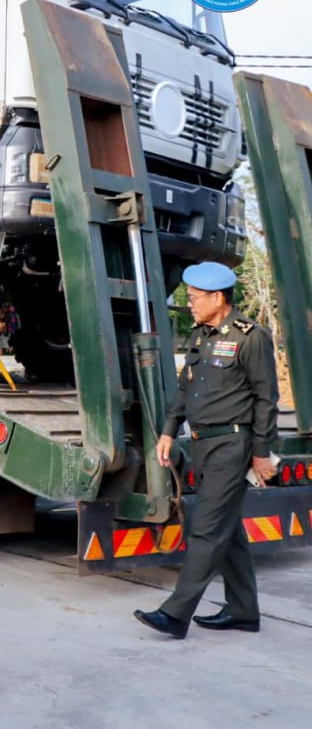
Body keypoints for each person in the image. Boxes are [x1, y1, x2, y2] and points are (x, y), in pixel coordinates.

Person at [135, 261, 280, 639]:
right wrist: (169, 430)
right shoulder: (200, 336)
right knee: (227, 529)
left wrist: (261, 452)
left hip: (233, 444)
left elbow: (266, 399)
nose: (190, 305)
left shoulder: (251, 337)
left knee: (206, 528)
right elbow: (186, 388)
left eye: (195, 298)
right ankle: (243, 610)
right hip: (203, 443)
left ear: (218, 298)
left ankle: (175, 614)